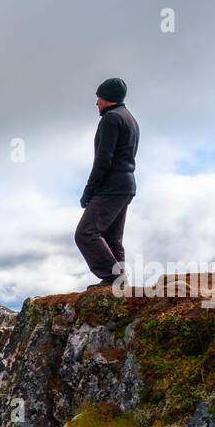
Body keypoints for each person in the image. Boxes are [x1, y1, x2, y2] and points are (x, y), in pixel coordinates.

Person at [75, 77, 139, 289]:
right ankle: (120, 282)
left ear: (108, 99)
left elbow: (104, 159)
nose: (97, 103)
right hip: (126, 185)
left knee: (86, 233)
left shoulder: (111, 119)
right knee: (112, 238)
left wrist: (89, 191)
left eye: (99, 98)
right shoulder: (130, 118)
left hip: (111, 187)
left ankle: (113, 278)